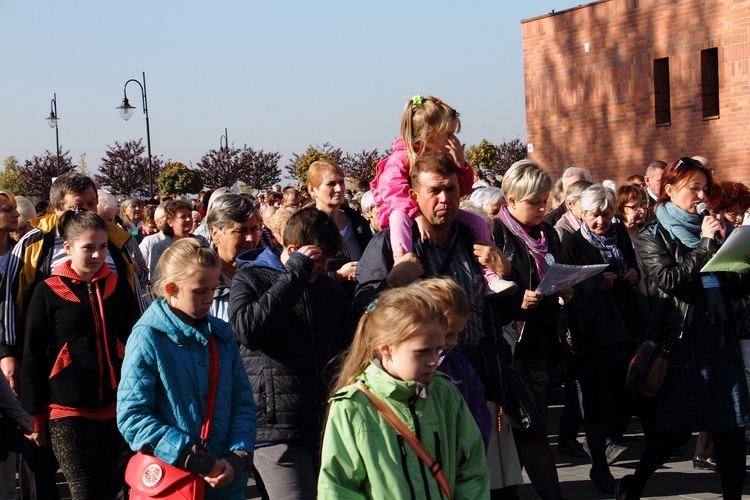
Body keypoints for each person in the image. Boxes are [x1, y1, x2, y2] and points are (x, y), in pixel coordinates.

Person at [355, 150, 521, 498]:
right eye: (434, 190)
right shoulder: (390, 244)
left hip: (479, 377)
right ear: (414, 195)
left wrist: (507, 271)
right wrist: (391, 282)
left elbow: (503, 311)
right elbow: (362, 312)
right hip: (416, 390)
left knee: (486, 483)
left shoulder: (473, 236)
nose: (444, 198)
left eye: (450, 189)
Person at [0, 172, 147, 500]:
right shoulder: (35, 247)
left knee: (112, 486)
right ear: (57, 209)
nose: (96, 254)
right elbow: (15, 309)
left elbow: (137, 315)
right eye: (78, 207)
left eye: (91, 204)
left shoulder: (119, 242)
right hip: (64, 401)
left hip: (113, 400)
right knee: (75, 486)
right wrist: (8, 352)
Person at [617, 157, 750, 500]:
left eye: (705, 188)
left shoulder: (713, 228)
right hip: (681, 342)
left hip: (720, 335)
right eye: (694, 188)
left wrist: (741, 265)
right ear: (671, 190)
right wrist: (706, 246)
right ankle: (634, 485)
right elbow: (667, 279)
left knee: (732, 427)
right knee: (673, 435)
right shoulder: (653, 234)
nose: (702, 195)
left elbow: (728, 284)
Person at [229, 207, 355, 499]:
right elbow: (248, 330)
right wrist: (296, 273)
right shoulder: (250, 279)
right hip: (276, 429)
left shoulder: (328, 289)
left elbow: (347, 348)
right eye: (319, 261)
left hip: (326, 425)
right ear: (293, 250)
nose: (324, 269)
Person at [317, 286, 489, 498]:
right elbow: (338, 488)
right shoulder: (353, 405)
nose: (434, 360)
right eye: (422, 352)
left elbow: (473, 471)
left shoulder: (446, 392)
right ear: (386, 348)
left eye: (438, 349)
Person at [117, 239, 256, 499]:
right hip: (175, 483)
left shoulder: (222, 336)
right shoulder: (148, 337)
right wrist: (193, 458)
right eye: (200, 291)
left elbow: (243, 403)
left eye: (213, 289)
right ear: (172, 289)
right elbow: (132, 417)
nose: (209, 299)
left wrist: (238, 457)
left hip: (225, 485)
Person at [22, 209, 138, 499]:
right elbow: (33, 355)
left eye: (102, 247)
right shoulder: (47, 291)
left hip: (116, 408)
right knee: (86, 493)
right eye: (88, 248)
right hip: (67, 412)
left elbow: (136, 344)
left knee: (113, 491)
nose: (98, 255)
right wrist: (34, 416)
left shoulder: (118, 286)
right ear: (68, 248)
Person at [370, 95, 515, 295]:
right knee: (398, 217)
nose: (452, 140)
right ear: (430, 134)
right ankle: (405, 264)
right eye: (448, 134)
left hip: (433, 214)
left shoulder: (444, 158)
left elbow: (461, 190)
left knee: (478, 222)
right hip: (405, 212)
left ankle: (489, 276)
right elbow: (393, 192)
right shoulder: (402, 158)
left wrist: (461, 165)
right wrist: (418, 216)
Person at [494, 159, 571, 500]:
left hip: (541, 340)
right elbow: (484, 289)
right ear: (510, 200)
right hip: (510, 345)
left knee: (529, 428)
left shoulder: (547, 232)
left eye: (546, 200)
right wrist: (515, 298)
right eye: (534, 201)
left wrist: (566, 288)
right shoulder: (495, 233)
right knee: (528, 429)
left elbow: (553, 270)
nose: (543, 207)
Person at [559, 185, 639, 494]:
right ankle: (599, 466)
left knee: (621, 399)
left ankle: (609, 444)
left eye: (606, 214)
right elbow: (568, 290)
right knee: (595, 402)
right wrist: (597, 286)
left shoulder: (618, 236)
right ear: (582, 213)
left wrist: (632, 274)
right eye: (594, 215)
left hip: (623, 328)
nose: (601, 222)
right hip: (592, 335)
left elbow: (630, 265)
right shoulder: (572, 244)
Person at [421, 277, 493, 450]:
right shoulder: (407, 368)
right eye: (448, 334)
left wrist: (473, 454)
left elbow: (479, 416)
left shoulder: (459, 365)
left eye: (458, 334)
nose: (453, 342)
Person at [307, 160, 372, 297]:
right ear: (312, 189)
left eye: (341, 182)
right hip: (326, 304)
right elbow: (299, 276)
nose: (339, 188)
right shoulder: (306, 226)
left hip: (361, 300)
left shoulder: (357, 222)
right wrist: (338, 275)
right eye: (331, 184)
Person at [205, 194, 263, 321]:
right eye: (240, 231)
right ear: (215, 234)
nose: (251, 238)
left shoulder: (270, 272)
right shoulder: (198, 279)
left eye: (254, 229)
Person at [148, 200, 208, 281]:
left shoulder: (200, 242)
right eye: (183, 217)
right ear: (170, 222)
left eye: (189, 216)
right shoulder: (160, 248)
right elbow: (156, 279)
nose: (188, 219)